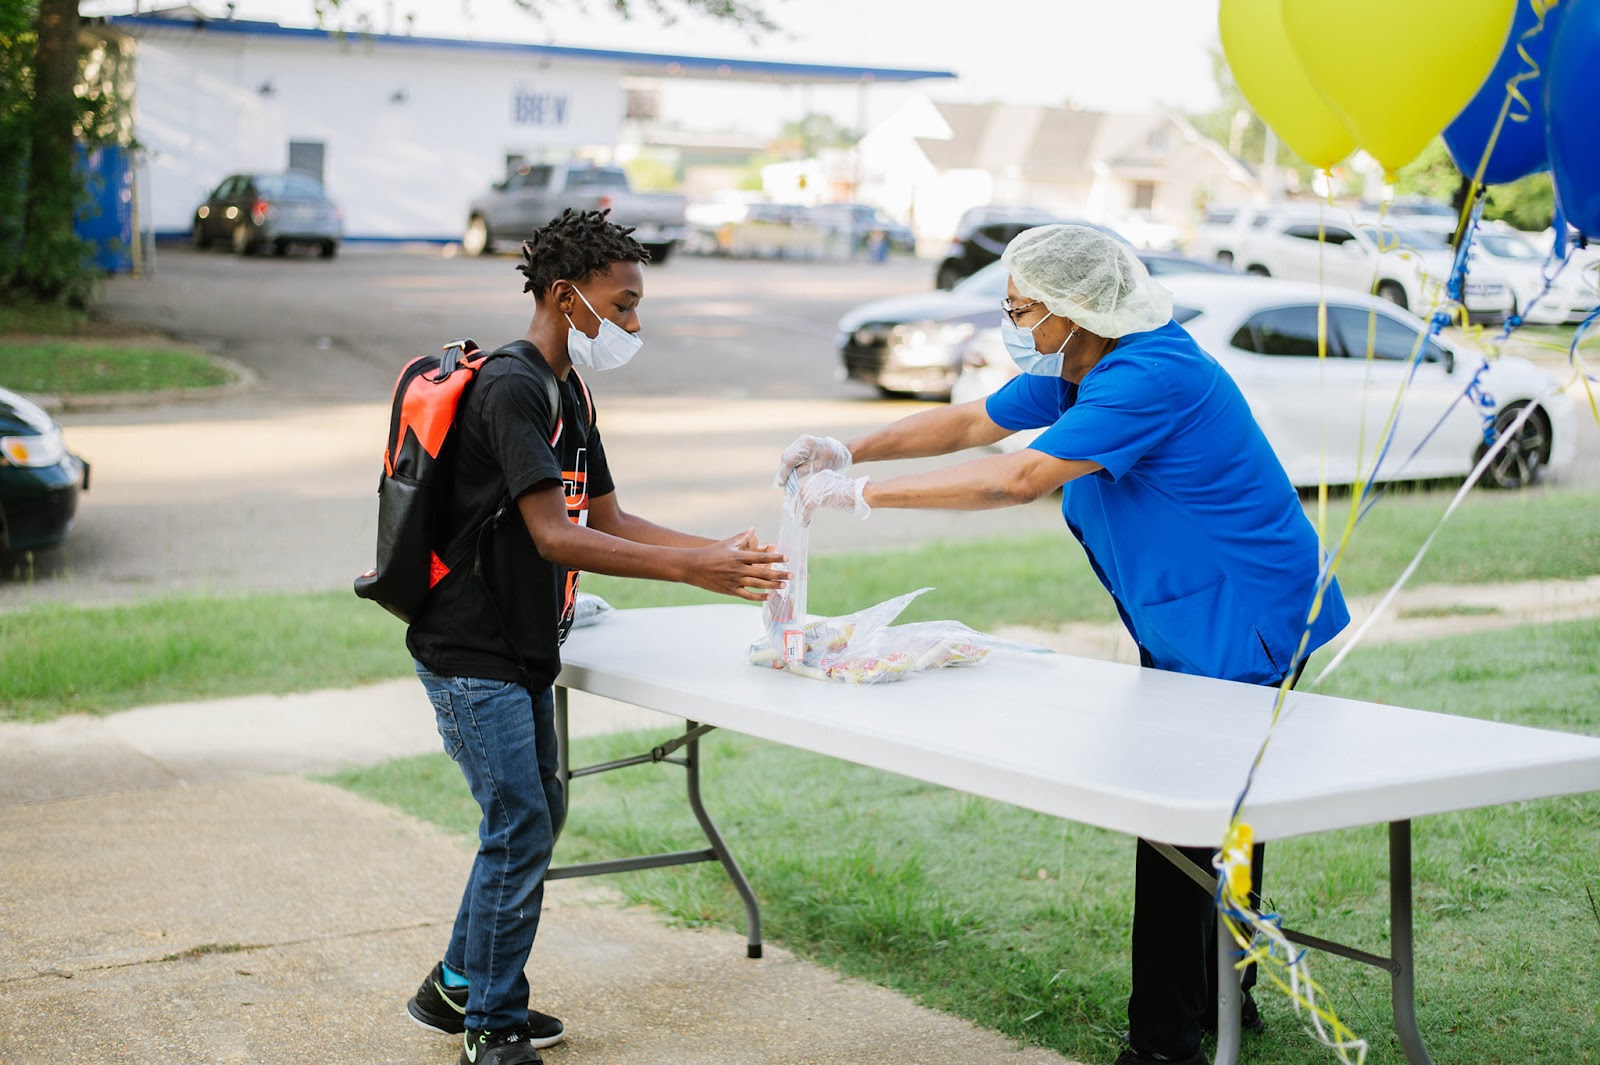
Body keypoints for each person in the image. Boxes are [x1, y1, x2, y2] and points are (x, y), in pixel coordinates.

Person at [778, 223, 1349, 1065]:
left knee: (1181, 822)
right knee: (1217, 815)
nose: (1013, 322)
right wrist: (845, 445)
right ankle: (1221, 996)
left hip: (1248, 617)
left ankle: (1165, 1044)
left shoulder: (1150, 374)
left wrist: (861, 494)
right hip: (1192, 617)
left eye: (1021, 309)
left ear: (1076, 307)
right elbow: (971, 421)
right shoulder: (1083, 367)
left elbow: (1017, 477)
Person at [404, 208, 788, 1065]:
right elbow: (555, 535)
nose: (634, 325)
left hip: (520, 646)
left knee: (536, 814)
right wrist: (693, 571)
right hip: (471, 650)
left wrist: (718, 552)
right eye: (623, 305)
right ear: (565, 296)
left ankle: (456, 986)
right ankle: (493, 1025)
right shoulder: (511, 389)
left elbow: (607, 517)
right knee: (520, 823)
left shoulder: (569, 390)